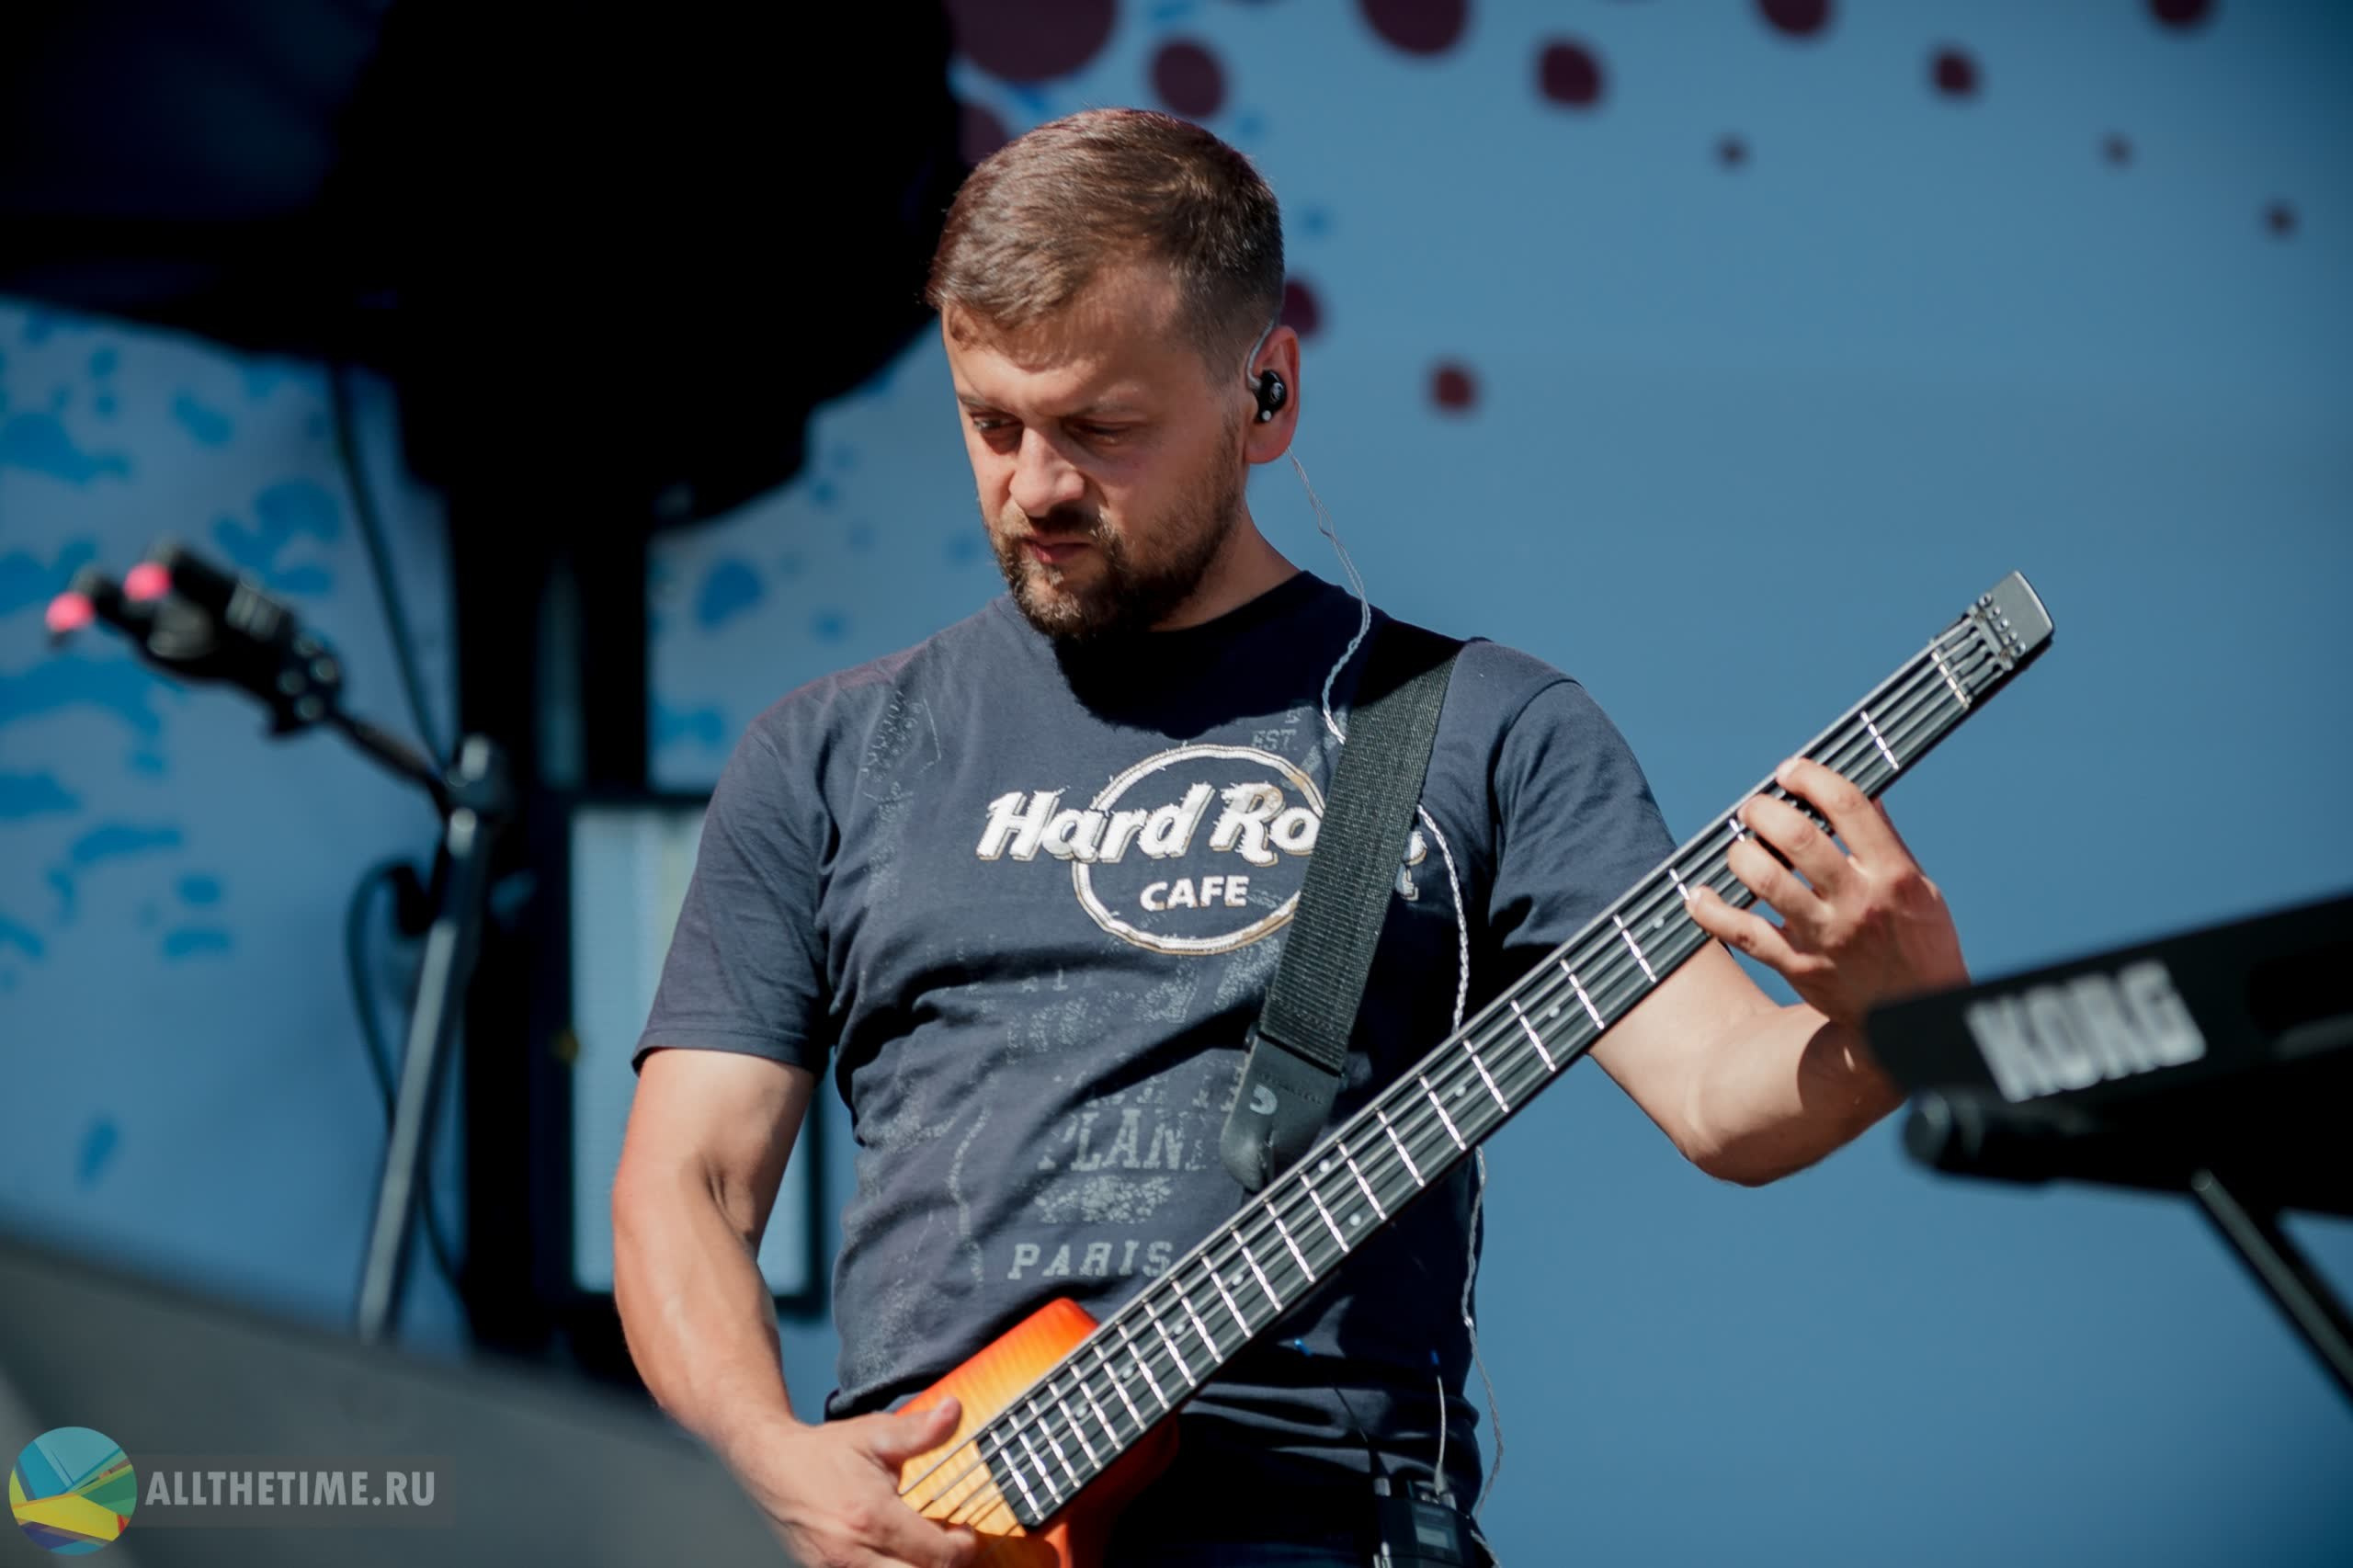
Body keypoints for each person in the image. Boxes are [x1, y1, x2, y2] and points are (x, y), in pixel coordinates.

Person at [610, 108, 1970, 1568]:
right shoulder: (833, 749)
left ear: (1268, 392)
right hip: (932, 1531)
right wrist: (765, 1457)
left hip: (1323, 1523)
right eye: (991, 422)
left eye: (1103, 429)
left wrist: (1903, 1020)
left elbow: (1721, 1095)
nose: (1037, 485)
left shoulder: (1471, 728)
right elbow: (685, 1180)